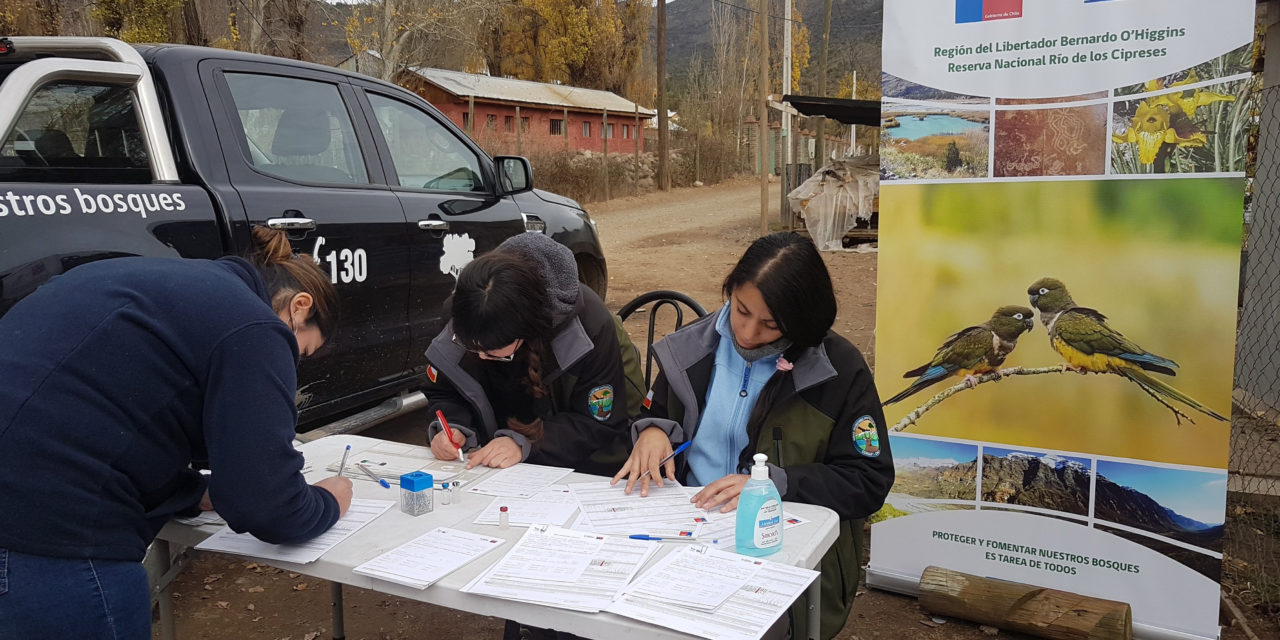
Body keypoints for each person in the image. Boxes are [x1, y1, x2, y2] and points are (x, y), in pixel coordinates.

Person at [0, 227, 354, 639]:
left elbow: (95, 413)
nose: (291, 363)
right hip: (53, 543)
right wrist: (329, 500)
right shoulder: (254, 325)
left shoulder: (143, 281)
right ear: (299, 307)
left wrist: (191, 490)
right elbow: (266, 505)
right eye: (301, 351)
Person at [612, 232, 894, 640]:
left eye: (771, 325)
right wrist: (653, 430)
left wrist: (773, 485)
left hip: (783, 558)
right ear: (729, 290)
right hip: (684, 539)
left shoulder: (839, 371)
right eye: (740, 310)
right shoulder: (690, 350)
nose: (746, 333)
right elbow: (654, 412)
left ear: (803, 322)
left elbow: (868, 481)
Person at [424, 231, 632, 476]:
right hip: (492, 467)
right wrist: (451, 427)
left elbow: (600, 423)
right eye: (472, 348)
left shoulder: (588, 327)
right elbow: (443, 391)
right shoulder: (465, 314)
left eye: (493, 354)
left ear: (526, 331)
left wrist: (524, 444)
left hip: (579, 467)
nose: (480, 357)